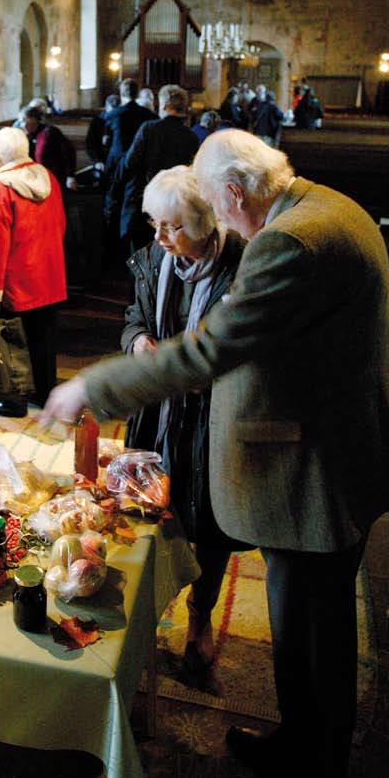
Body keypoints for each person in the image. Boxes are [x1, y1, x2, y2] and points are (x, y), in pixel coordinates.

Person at [42, 129, 389, 778]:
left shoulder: (288, 239)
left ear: (231, 191)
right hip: (336, 449)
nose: (222, 223)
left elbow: (207, 352)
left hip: (315, 473)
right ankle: (302, 741)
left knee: (315, 630)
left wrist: (91, 385)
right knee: (305, 622)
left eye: (216, 208)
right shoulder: (326, 204)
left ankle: (315, 757)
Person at [122, 166, 246, 687]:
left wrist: (210, 374)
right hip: (158, 413)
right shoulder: (155, 258)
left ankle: (200, 620)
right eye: (154, 224)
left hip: (212, 419)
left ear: (204, 223)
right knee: (149, 510)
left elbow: (253, 348)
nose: (159, 238)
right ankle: (144, 613)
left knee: (210, 525)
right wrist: (138, 343)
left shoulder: (242, 264)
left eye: (170, 227)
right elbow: (134, 316)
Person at [0, 126, 67, 415]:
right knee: (44, 339)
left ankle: (12, 398)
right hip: (50, 274)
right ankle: (44, 393)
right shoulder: (47, 177)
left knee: (11, 340)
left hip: (16, 278)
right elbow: (61, 224)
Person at [120, 84, 198, 253]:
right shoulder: (191, 136)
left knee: (141, 255)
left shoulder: (148, 128)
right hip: (175, 206)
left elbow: (129, 162)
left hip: (146, 202)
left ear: (163, 106)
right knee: (169, 255)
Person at [102, 78, 157, 244]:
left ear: (121, 93)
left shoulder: (111, 115)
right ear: (138, 91)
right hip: (140, 169)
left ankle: (114, 242)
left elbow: (105, 142)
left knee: (114, 205)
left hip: (116, 166)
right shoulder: (148, 115)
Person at [22, 103, 76, 192]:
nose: (22, 124)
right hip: (38, 179)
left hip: (55, 177)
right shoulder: (29, 136)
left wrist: (70, 176)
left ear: (33, 119)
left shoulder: (50, 133)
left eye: (24, 120)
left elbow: (68, 152)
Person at [84, 93, 120, 168]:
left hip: (118, 161)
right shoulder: (97, 121)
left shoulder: (122, 120)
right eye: (112, 111)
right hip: (102, 160)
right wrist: (97, 161)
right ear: (106, 108)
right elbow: (90, 143)